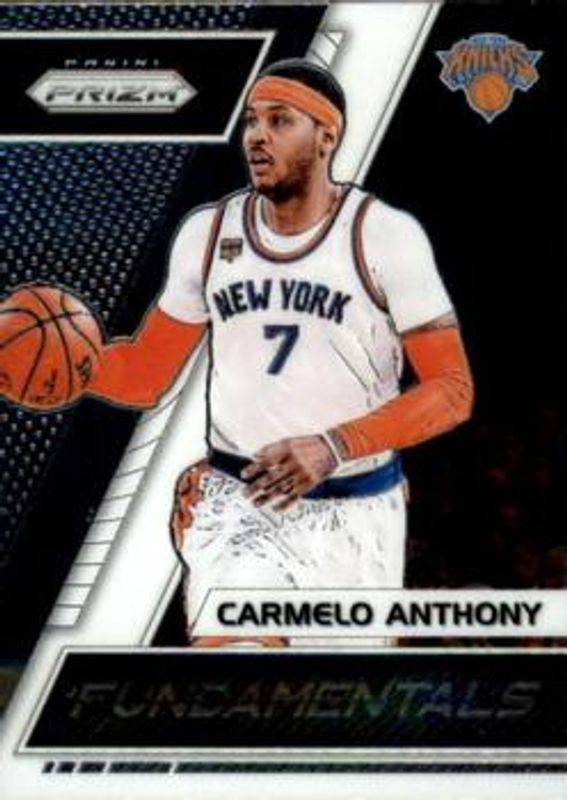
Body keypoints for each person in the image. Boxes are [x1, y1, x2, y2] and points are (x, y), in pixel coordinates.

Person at [9, 60, 475, 645]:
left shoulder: (383, 235)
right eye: (252, 120)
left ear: (326, 136)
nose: (256, 135)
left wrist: (333, 446)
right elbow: (145, 373)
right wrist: (72, 369)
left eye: (279, 121)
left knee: (323, 702)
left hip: (358, 516)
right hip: (239, 503)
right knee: (237, 667)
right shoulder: (207, 234)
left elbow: (452, 391)